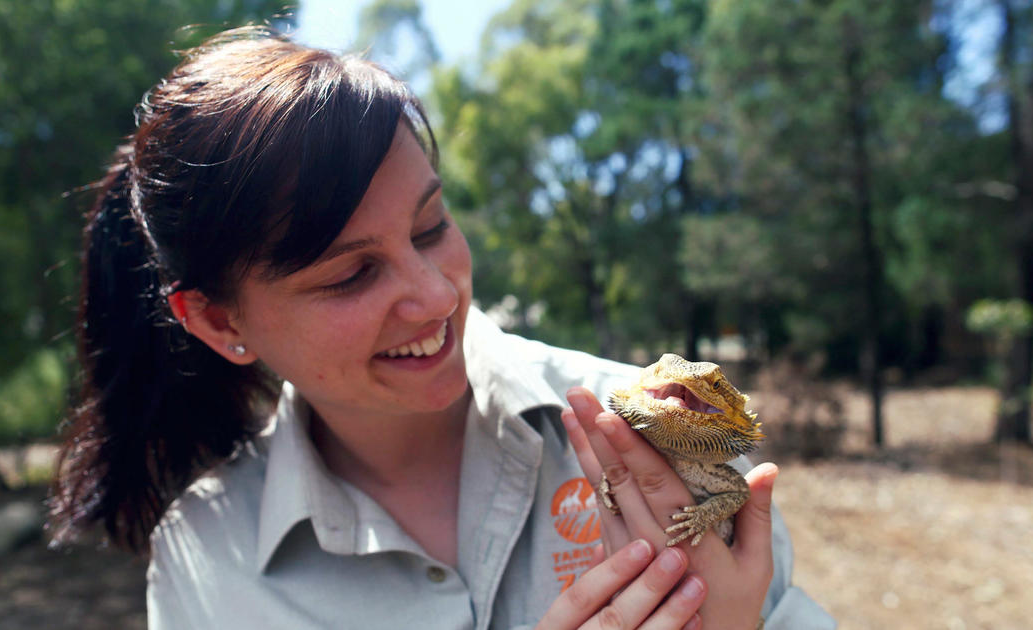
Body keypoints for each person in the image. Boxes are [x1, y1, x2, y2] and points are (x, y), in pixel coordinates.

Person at [50, 26, 835, 630]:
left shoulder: (648, 428)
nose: (433, 296)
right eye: (351, 274)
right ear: (220, 322)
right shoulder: (211, 557)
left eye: (429, 227)